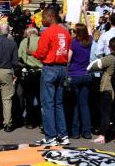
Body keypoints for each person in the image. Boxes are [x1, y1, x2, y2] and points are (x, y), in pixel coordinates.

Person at [33, 7, 71, 144]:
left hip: (50, 68)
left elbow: (41, 53)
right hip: (62, 68)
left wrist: (33, 54)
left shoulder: (48, 32)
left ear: (50, 17)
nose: (41, 20)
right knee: (58, 103)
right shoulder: (65, 33)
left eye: (43, 17)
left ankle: (51, 136)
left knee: (47, 104)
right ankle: (63, 135)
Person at [87, 37, 115, 144]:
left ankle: (102, 136)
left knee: (105, 113)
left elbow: (93, 66)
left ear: (112, 47)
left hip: (108, 88)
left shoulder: (110, 58)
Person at [0, 20, 19, 132]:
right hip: (7, 71)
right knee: (7, 99)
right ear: (8, 32)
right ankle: (7, 124)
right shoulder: (13, 43)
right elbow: (15, 62)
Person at [66, 23, 94, 139]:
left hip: (74, 74)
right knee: (85, 104)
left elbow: (68, 59)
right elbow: (90, 29)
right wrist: (84, 12)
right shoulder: (89, 41)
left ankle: (75, 131)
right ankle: (87, 132)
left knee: (75, 105)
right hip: (86, 74)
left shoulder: (74, 43)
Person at [18, 26, 42, 129]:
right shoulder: (41, 40)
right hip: (41, 72)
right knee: (41, 99)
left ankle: (30, 121)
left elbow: (19, 56)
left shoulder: (24, 41)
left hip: (29, 72)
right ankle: (42, 121)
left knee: (29, 98)